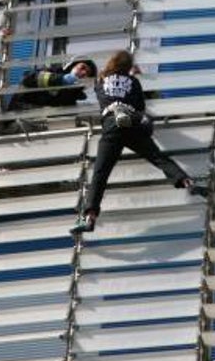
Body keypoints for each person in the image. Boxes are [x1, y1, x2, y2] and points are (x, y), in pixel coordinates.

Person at [71, 50, 207, 235]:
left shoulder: (101, 80)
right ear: (128, 67)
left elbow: (98, 90)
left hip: (111, 125)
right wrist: (133, 78)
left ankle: (90, 217)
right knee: (158, 157)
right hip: (134, 123)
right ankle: (187, 182)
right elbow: (141, 106)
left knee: (100, 174)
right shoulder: (134, 82)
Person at [9, 58, 96, 110]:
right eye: (82, 67)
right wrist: (61, 80)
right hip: (18, 114)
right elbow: (26, 79)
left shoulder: (72, 99)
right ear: (73, 65)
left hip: (37, 127)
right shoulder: (53, 71)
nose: (83, 72)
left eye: (87, 73)